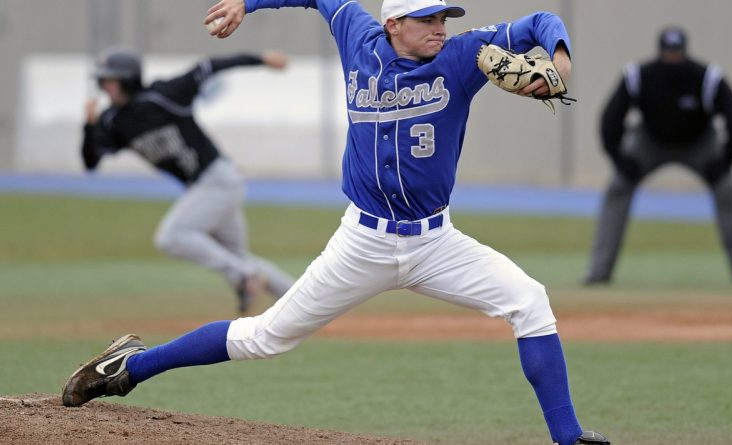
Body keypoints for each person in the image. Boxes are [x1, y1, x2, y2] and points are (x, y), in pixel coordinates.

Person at [64, 2, 609, 444]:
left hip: (437, 243)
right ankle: (130, 368)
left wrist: (559, 60)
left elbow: (541, 21)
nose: (440, 27)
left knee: (529, 301)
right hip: (363, 242)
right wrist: (247, 4)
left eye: (444, 17)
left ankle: (568, 438)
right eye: (427, 18)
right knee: (264, 337)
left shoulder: (465, 54)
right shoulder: (357, 36)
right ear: (393, 24)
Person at [81, 46, 296, 312]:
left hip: (218, 179)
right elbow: (91, 162)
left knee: (171, 237)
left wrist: (261, 60)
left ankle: (244, 276)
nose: (105, 86)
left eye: (111, 80)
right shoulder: (112, 121)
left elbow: (209, 66)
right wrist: (88, 126)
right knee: (239, 258)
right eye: (103, 80)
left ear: (129, 79)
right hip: (207, 187)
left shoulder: (164, 96)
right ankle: (300, 299)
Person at [583, 26, 732, 287]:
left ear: (685, 52)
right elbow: (610, 117)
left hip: (699, 141)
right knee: (618, 186)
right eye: (668, 53)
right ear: (660, 53)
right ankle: (598, 272)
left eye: (677, 53)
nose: (673, 58)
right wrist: (618, 159)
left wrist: (727, 158)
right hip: (650, 141)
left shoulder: (705, 77)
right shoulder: (639, 75)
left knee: (728, 189)